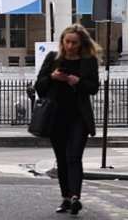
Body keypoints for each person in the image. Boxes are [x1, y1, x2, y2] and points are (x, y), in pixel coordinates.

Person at [34, 24, 100, 216]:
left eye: (74, 42)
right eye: (67, 41)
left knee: (74, 157)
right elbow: (39, 86)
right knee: (62, 159)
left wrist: (78, 82)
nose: (70, 46)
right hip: (56, 117)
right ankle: (65, 198)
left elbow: (94, 87)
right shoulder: (53, 59)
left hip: (78, 117)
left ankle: (75, 198)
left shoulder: (88, 61)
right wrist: (53, 77)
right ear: (63, 41)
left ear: (82, 43)